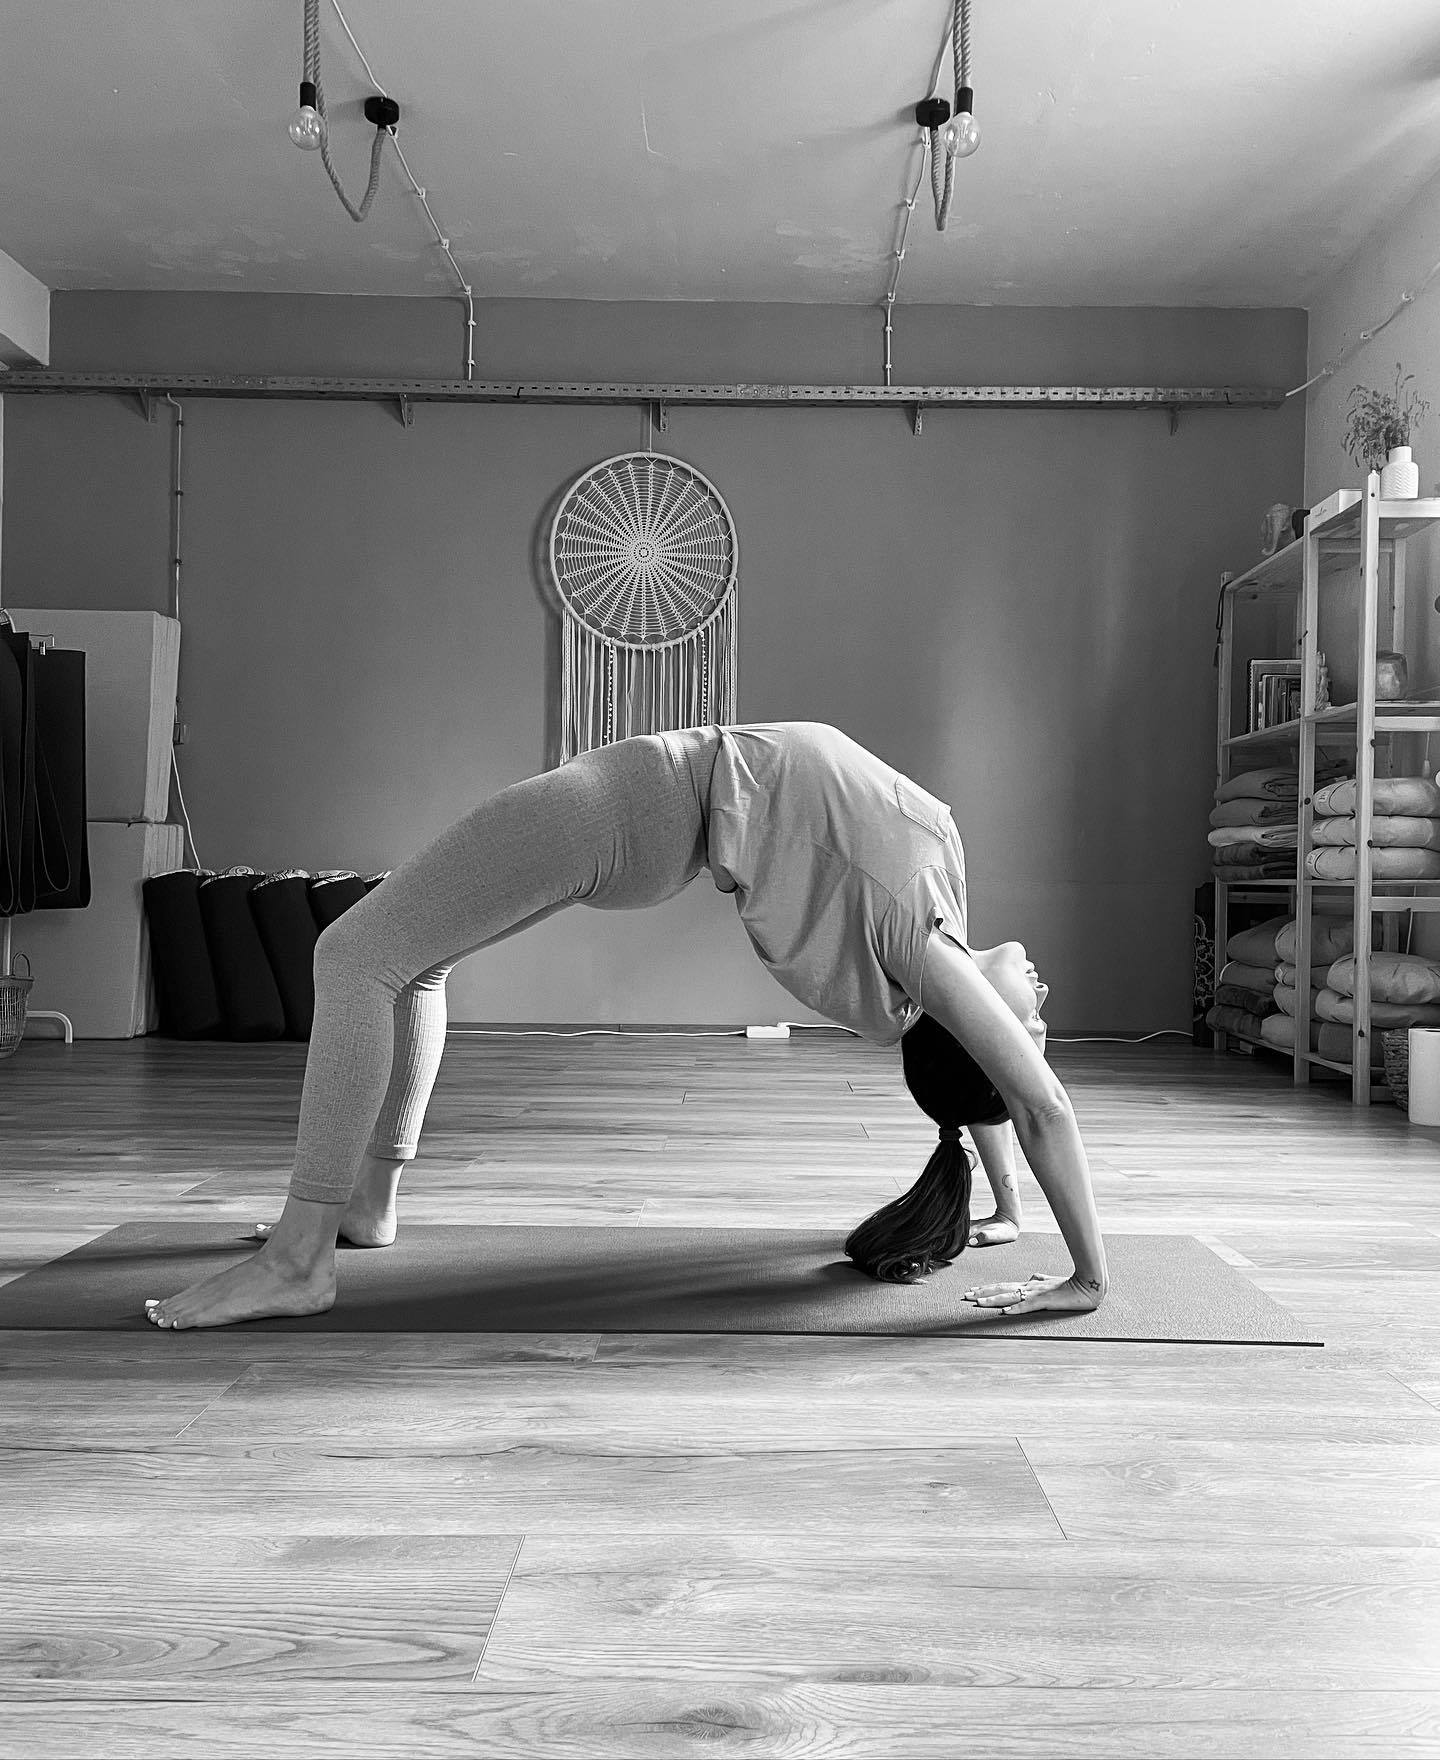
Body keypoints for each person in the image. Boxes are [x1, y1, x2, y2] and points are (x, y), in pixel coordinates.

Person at [145, 722, 1107, 1330]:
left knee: (354, 956)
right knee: (416, 960)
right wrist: (1007, 1208)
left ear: (974, 1028)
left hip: (625, 807)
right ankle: (367, 1208)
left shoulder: (915, 944)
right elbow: (984, 1091)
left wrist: (1087, 1280)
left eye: (1030, 1027)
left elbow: (1038, 1103)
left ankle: (299, 1258)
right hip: (646, 815)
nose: (1041, 1004)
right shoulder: (939, 921)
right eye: (1037, 1025)